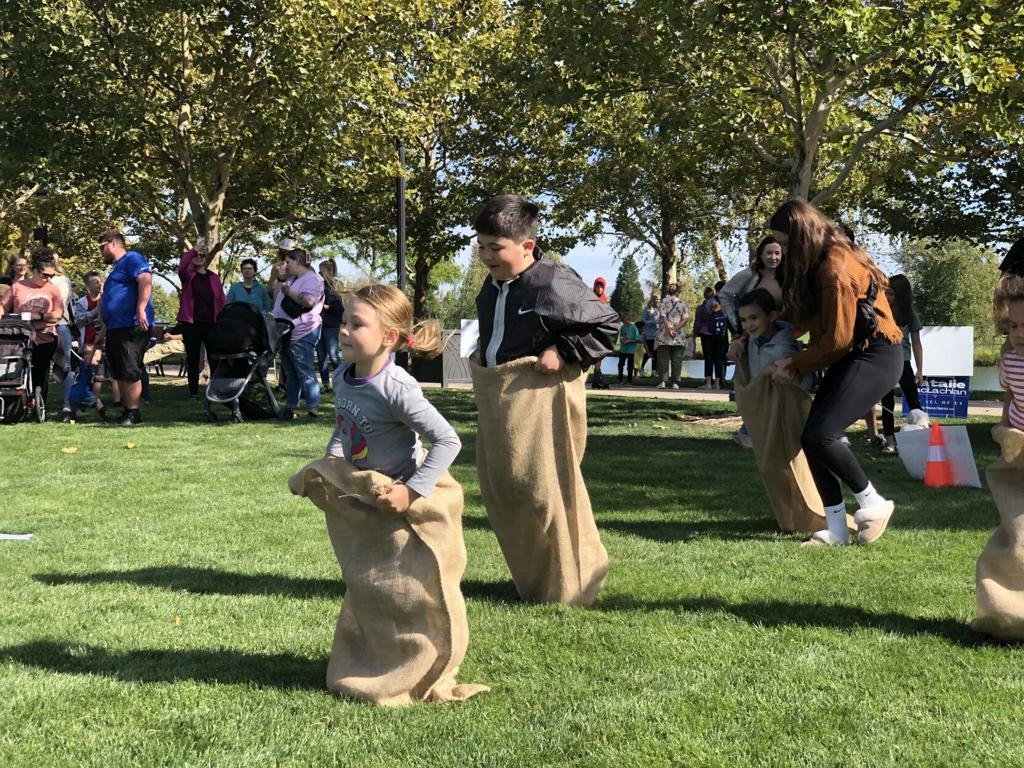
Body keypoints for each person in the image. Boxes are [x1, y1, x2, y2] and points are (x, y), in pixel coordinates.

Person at [287, 283, 487, 704]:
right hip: (367, 497)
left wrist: (411, 492)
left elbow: (448, 441)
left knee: (409, 590)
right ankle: (376, 657)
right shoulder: (344, 375)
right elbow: (345, 425)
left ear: (389, 337)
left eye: (356, 324)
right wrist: (334, 459)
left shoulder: (399, 389)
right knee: (371, 584)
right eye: (343, 321)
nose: (343, 331)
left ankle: (422, 661)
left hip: (400, 503)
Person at [470, 194, 617, 605]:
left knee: (544, 492)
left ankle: (571, 583)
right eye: (481, 246)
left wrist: (562, 351)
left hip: (540, 401)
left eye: (495, 248)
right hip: (502, 402)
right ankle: (538, 581)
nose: (486, 255)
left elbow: (606, 326)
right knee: (507, 491)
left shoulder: (552, 281)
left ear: (527, 246)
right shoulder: (494, 284)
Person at [768, 199, 903, 546]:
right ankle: (837, 529)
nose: (780, 252)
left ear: (800, 237)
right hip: (857, 354)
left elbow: (836, 342)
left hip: (877, 354)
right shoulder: (826, 260)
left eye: (783, 244)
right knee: (813, 437)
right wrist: (762, 330)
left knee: (821, 434)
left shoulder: (835, 268)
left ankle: (873, 502)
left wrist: (795, 363)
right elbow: (815, 322)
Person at [96, 229, 154, 427]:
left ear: (112, 243)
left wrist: (141, 308)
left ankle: (134, 412)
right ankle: (127, 410)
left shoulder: (132, 258)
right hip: (115, 327)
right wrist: (103, 331)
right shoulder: (116, 268)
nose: (101, 252)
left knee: (129, 367)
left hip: (131, 324)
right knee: (119, 369)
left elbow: (145, 279)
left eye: (102, 247)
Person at [0, 248, 64, 407]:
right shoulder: (17, 287)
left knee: (40, 372)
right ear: (35, 271)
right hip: (20, 337)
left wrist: (41, 316)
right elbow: (3, 306)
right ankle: (17, 404)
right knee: (18, 369)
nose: (48, 279)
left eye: (52, 276)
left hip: (44, 336)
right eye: (45, 275)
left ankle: (39, 403)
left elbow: (58, 312)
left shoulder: (52, 290)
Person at [874, 274, 928, 454]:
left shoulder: (910, 315)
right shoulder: (881, 312)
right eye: (885, 293)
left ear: (900, 294)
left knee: (913, 399)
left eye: (891, 293)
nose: (887, 297)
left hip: (904, 362)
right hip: (884, 362)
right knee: (887, 401)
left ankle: (921, 437)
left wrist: (919, 370)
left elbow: (917, 343)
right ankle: (890, 443)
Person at [272, 244, 325, 419]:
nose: (285, 265)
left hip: (303, 331)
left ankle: (313, 408)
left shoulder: (313, 279)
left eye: (288, 262)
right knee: (290, 372)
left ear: (298, 261)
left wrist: (289, 291)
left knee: (304, 370)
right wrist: (281, 281)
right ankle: (292, 407)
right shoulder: (292, 279)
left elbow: (309, 301)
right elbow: (273, 295)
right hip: (287, 332)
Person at [177, 239, 226, 400]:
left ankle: (216, 390)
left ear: (206, 259)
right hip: (191, 323)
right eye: (196, 256)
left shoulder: (214, 278)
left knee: (214, 357)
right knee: (193, 358)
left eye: (202, 255)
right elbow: (182, 265)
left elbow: (221, 300)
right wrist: (193, 250)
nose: (198, 257)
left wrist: (222, 320)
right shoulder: (188, 276)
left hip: (211, 323)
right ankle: (193, 392)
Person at [719, 236, 785, 332]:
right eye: (769, 253)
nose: (773, 257)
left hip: (780, 334)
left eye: (777, 253)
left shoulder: (786, 278)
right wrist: (736, 322)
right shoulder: (750, 274)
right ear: (761, 255)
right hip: (753, 337)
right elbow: (724, 294)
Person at [50, 255, 77, 422]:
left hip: (60, 325)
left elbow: (60, 302)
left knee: (65, 365)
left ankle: (68, 405)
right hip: (39, 327)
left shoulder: (62, 281)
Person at [317, 259, 345, 392]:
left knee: (333, 355)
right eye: (319, 271)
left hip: (332, 325)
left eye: (322, 271)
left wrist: (327, 306)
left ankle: (341, 382)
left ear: (330, 271)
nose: (320, 274)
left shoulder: (337, 285)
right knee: (321, 356)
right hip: (319, 324)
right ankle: (325, 384)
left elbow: (341, 307)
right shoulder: (318, 285)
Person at [655, 283, 690, 389]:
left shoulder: (663, 302)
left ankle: (662, 382)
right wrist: (675, 329)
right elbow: (685, 319)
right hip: (678, 335)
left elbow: (663, 316)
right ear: (678, 291)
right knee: (677, 359)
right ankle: (675, 382)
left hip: (664, 334)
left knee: (663, 359)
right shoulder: (682, 304)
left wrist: (669, 329)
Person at [694, 287, 729, 389]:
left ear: (704, 294)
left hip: (706, 334)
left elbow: (698, 322)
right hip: (719, 334)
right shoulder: (720, 306)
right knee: (718, 358)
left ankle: (708, 383)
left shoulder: (702, 307)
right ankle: (717, 383)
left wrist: (696, 332)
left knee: (708, 358)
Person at [67, 345, 109, 422]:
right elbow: (95, 378)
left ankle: (72, 419)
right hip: (83, 393)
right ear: (89, 357)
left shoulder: (80, 366)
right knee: (97, 401)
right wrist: (107, 379)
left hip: (72, 393)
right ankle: (105, 416)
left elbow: (92, 377)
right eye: (97, 361)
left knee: (74, 408)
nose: (98, 363)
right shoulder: (87, 366)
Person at [590, 276, 611, 389]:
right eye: (598, 287)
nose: (599, 289)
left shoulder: (605, 300)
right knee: (588, 354)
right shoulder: (589, 297)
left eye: (601, 287)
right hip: (590, 329)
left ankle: (597, 378)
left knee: (599, 354)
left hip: (600, 329)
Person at [75, 271, 103, 347]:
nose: (99, 284)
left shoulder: (107, 300)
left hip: (104, 342)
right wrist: (95, 311)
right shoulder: (82, 302)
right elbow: (78, 321)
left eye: (100, 281)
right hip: (88, 343)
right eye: (96, 282)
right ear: (88, 286)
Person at [617, 312, 640, 384]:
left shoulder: (634, 328)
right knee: (620, 364)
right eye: (623, 321)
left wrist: (629, 341)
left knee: (630, 366)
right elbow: (621, 336)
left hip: (631, 350)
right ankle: (620, 379)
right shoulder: (622, 327)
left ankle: (629, 380)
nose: (623, 322)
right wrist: (622, 340)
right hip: (623, 349)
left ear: (629, 320)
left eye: (625, 321)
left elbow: (637, 339)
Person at [641, 292, 660, 376]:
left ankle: (654, 370)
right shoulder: (647, 309)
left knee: (656, 353)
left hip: (658, 335)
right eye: (656, 299)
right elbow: (643, 321)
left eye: (659, 299)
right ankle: (641, 368)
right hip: (649, 335)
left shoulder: (660, 309)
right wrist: (654, 322)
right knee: (649, 353)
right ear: (653, 299)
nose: (657, 301)